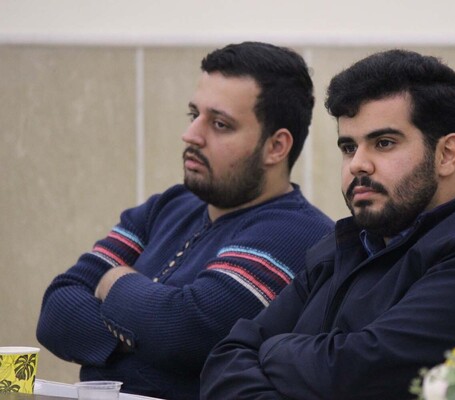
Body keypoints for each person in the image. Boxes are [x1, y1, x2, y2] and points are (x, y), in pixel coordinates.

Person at [199, 49, 455, 400]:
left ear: (446, 154)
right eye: (349, 147)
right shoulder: (347, 245)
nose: (358, 164)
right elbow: (226, 358)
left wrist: (272, 349)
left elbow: (354, 373)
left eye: (383, 143)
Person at [36, 41, 334, 400]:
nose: (191, 135)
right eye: (194, 115)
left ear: (276, 147)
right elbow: (56, 311)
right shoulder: (168, 206)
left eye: (220, 124)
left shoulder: (299, 233)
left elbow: (186, 332)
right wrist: (144, 334)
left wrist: (114, 283)